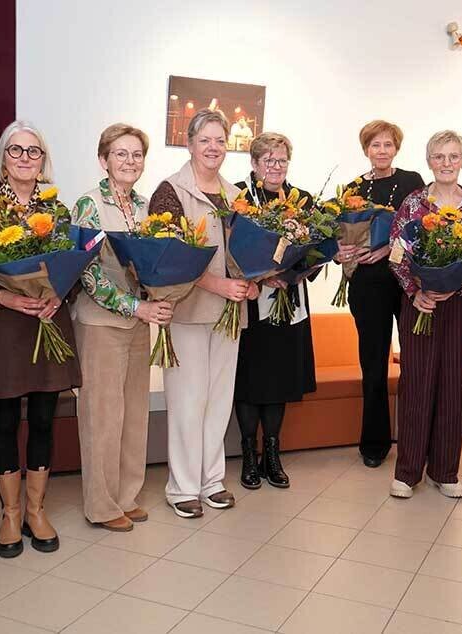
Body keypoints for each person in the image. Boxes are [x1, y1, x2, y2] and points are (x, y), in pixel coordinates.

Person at [0, 120, 79, 556]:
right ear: (2, 157)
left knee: (45, 420)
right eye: (16, 151)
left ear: (43, 159)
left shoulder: (58, 209)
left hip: (48, 326)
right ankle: (9, 515)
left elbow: (76, 268)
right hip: (5, 328)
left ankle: (36, 510)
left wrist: (57, 295)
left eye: (34, 152)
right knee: (6, 422)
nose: (25, 159)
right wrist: (6, 297)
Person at [148, 108, 258, 518]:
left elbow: (249, 254)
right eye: (204, 140)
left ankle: (212, 480)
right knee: (188, 400)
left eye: (219, 140)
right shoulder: (170, 191)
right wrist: (219, 285)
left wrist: (254, 281)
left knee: (218, 400)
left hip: (230, 314)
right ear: (189, 144)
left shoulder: (235, 196)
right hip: (189, 312)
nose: (213, 148)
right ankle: (182, 487)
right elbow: (169, 258)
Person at [71, 124, 168, 532]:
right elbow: (88, 275)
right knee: (102, 416)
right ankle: (102, 504)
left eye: (136, 155)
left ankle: (127, 495)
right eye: (121, 154)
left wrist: (160, 296)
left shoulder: (147, 207)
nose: (130, 161)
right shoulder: (88, 206)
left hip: (138, 322)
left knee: (133, 413)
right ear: (103, 159)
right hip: (101, 325)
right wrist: (135, 307)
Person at [389, 130, 462, 499]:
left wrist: (456, 287)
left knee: (453, 385)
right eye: (439, 156)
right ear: (429, 160)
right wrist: (416, 292)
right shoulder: (413, 202)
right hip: (420, 304)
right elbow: (397, 253)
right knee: (416, 384)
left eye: (453, 156)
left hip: (461, 307)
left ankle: (445, 470)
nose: (446, 163)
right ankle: (407, 471)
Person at [338, 120, 425, 468]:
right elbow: (337, 235)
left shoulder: (412, 181)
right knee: (373, 366)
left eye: (388, 145)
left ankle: (415, 441)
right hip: (368, 286)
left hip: (406, 284)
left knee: (415, 365)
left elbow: (421, 229)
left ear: (397, 148)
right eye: (375, 145)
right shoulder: (352, 190)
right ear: (366, 150)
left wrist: (390, 250)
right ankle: (373, 444)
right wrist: (342, 251)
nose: (382, 151)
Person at [233, 132, 316, 490]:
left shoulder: (302, 200)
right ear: (253, 164)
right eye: (267, 160)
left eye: (281, 160)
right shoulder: (238, 198)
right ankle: (249, 454)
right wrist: (264, 275)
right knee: (250, 382)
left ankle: (272, 453)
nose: (275, 167)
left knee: (279, 381)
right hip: (252, 303)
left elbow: (314, 253)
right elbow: (230, 251)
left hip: (288, 303)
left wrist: (289, 273)